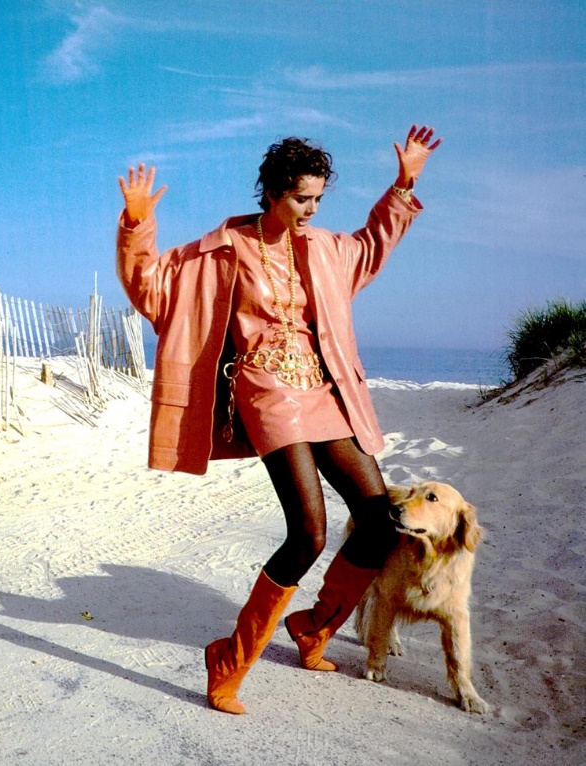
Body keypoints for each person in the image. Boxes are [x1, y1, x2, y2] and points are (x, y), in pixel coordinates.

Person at [116, 124, 441, 715]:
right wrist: (138, 225)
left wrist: (403, 185)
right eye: (300, 198)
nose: (310, 210)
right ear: (270, 192)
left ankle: (313, 627)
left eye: (317, 199)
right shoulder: (222, 250)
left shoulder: (325, 248)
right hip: (265, 390)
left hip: (325, 388)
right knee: (308, 533)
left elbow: (373, 243)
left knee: (377, 522)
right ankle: (229, 660)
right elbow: (151, 287)